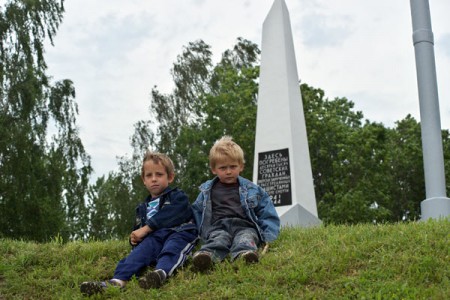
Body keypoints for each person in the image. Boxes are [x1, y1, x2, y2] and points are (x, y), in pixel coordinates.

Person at [80, 151, 198, 296]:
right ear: (143, 180)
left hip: (178, 233)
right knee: (136, 255)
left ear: (170, 177)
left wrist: (147, 228)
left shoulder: (178, 196)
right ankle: (117, 281)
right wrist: (134, 239)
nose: (154, 179)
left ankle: (159, 274)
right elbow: (139, 231)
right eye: (149, 175)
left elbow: (174, 213)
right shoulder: (142, 208)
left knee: (172, 250)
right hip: (154, 239)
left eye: (159, 174)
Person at [191, 135, 280, 272]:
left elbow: (266, 211)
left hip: (244, 226)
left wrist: (269, 235)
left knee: (245, 238)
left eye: (233, 166)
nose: (228, 171)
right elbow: (197, 212)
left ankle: (244, 255)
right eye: (223, 168)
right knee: (217, 240)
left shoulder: (252, 189)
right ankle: (207, 256)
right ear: (214, 169)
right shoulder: (206, 191)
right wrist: (197, 235)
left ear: (241, 167)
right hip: (218, 227)